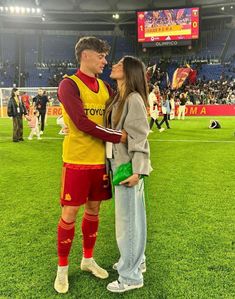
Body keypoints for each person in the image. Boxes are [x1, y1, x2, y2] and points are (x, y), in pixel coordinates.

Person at [54, 36, 127, 294]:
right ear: (87, 55)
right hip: (76, 161)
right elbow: (82, 123)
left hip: (100, 162)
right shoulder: (68, 85)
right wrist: (118, 136)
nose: (105, 61)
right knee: (70, 214)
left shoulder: (106, 87)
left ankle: (87, 260)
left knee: (94, 211)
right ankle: (62, 269)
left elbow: (121, 108)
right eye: (102, 56)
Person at [104, 56, 152, 293]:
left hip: (128, 169)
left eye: (120, 65)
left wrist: (138, 171)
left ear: (130, 72)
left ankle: (131, 277)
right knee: (134, 219)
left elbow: (140, 136)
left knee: (128, 224)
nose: (114, 65)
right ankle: (136, 261)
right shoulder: (121, 98)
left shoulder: (132, 99)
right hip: (122, 166)